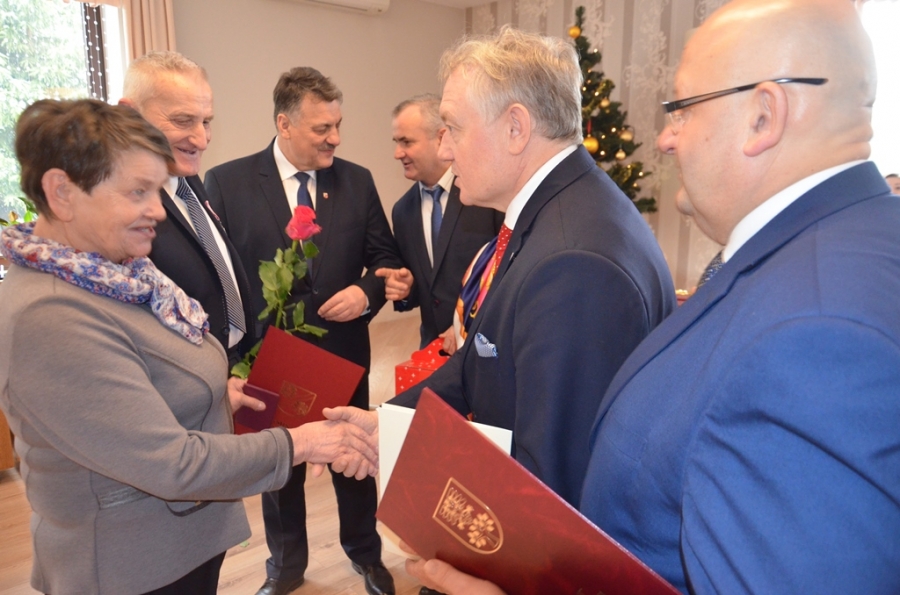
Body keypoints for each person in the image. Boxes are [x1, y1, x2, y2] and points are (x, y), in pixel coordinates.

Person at [402, 0, 900, 593]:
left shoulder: (820, 331)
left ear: (764, 116)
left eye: (683, 108)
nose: (665, 139)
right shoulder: (831, 251)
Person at [0, 99, 379, 595]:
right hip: (128, 569)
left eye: (157, 191)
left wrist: (216, 396)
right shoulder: (50, 314)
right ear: (62, 193)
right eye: (138, 192)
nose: (158, 211)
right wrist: (302, 443)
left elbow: (137, 386)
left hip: (174, 549)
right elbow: (170, 463)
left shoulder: (113, 275)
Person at [382, 26, 675, 509]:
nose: (446, 151)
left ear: (516, 128)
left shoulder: (574, 264)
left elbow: (552, 487)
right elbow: (480, 363)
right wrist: (383, 426)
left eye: (454, 128)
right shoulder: (554, 212)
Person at [204, 67, 401, 595]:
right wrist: (233, 358)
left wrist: (366, 292)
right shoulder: (227, 182)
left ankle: (366, 555)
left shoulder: (357, 180)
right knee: (281, 467)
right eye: (322, 128)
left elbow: (384, 259)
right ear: (284, 124)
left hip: (343, 355)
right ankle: (285, 566)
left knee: (353, 460)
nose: (335, 138)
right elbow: (220, 279)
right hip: (268, 357)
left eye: (338, 125)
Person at [119, 51, 255, 367]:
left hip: (231, 366)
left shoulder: (188, 178)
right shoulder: (123, 207)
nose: (202, 140)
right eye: (183, 120)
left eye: (206, 122)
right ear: (130, 115)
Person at [379, 94, 502, 354]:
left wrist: (464, 325)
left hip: (486, 347)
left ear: (442, 137)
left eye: (406, 142)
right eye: (396, 142)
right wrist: (406, 288)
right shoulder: (402, 211)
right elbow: (426, 290)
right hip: (434, 352)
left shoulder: (485, 195)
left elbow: (507, 272)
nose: (397, 153)